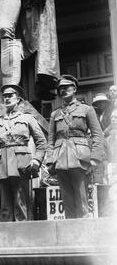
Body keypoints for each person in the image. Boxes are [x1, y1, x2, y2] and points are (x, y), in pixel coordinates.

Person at [0, 85, 47, 222]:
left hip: (22, 165)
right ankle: (7, 238)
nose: (6, 99)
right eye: (5, 96)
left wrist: (37, 160)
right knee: (4, 207)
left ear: (18, 99)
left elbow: (42, 142)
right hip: (2, 165)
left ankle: (24, 237)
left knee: (21, 203)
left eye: (10, 96)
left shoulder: (27, 118)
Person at [47, 75, 104, 218]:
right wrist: (50, 161)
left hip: (80, 158)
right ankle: (70, 235)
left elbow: (98, 135)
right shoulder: (55, 114)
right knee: (67, 202)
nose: (63, 90)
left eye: (66, 87)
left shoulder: (87, 109)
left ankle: (85, 236)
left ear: (74, 89)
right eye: (60, 88)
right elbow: (50, 140)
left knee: (82, 200)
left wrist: (95, 158)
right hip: (60, 160)